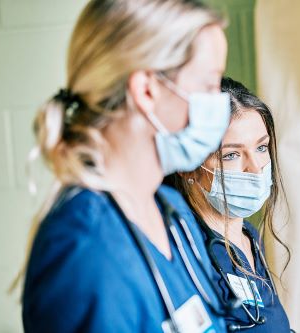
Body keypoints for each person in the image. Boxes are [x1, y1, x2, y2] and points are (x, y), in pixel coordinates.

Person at [17, 0, 232, 332]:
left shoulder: (172, 212)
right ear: (146, 90)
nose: (221, 103)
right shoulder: (83, 249)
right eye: (208, 85)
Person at [166, 77, 294, 332]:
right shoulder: (185, 253)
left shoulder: (250, 238)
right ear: (187, 164)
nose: (256, 167)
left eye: (261, 147)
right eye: (232, 155)